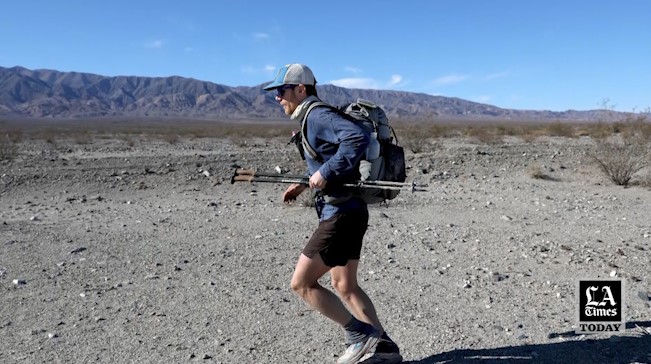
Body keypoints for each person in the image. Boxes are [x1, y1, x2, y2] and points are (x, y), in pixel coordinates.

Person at [263, 64, 402, 364]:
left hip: (339, 215)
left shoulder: (316, 115)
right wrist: (304, 183)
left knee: (301, 283)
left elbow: (355, 138)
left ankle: (360, 335)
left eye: (280, 91)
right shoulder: (311, 117)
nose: (277, 98)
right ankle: (385, 349)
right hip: (350, 211)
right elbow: (325, 156)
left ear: (301, 89)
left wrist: (325, 172)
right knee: (345, 286)